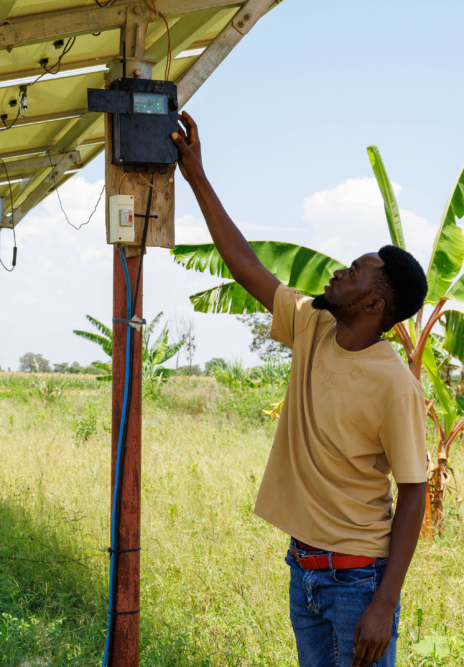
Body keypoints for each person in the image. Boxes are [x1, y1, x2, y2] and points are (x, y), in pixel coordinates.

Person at [171, 112, 429, 667]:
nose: (339, 272)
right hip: (304, 569)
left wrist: (384, 603)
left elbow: (413, 493)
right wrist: (196, 176)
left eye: (355, 272)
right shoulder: (312, 323)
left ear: (374, 305)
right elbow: (245, 266)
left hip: (358, 581)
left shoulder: (394, 384)